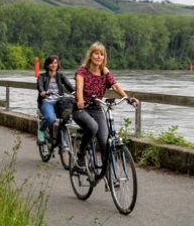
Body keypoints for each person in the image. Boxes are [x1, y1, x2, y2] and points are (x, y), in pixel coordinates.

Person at [72, 41, 139, 169]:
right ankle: (81, 155)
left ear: (104, 57)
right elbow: (79, 88)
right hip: (81, 109)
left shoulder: (104, 71)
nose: (99, 57)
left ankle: (107, 173)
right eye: (96, 53)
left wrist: (126, 98)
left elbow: (115, 85)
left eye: (102, 54)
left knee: (104, 141)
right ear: (90, 55)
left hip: (97, 108)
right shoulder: (82, 71)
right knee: (92, 127)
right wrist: (80, 100)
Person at [36, 54, 74, 143]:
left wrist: (77, 92)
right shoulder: (42, 76)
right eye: (52, 63)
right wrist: (42, 92)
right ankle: (41, 129)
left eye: (56, 63)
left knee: (67, 118)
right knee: (51, 119)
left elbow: (69, 86)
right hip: (47, 102)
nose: (54, 65)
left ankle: (63, 138)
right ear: (47, 65)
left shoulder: (61, 76)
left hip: (60, 102)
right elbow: (40, 85)